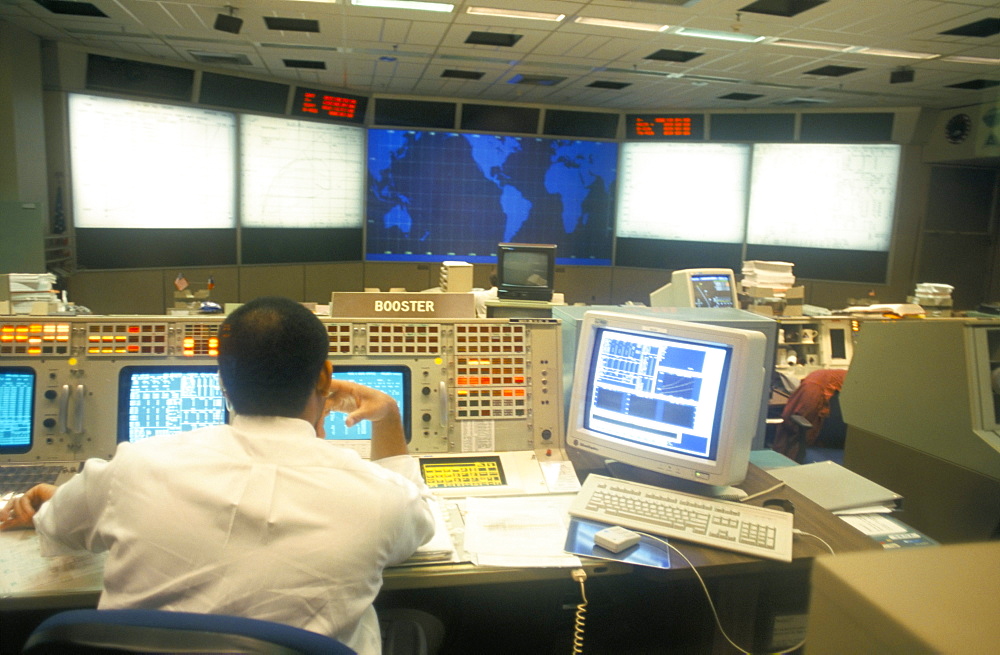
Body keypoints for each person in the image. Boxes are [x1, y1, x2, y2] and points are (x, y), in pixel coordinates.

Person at [0, 296, 435, 655]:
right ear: (324, 377)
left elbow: (59, 523)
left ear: (221, 383)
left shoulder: (129, 470)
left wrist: (59, 500)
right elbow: (421, 526)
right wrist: (389, 419)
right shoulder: (379, 496)